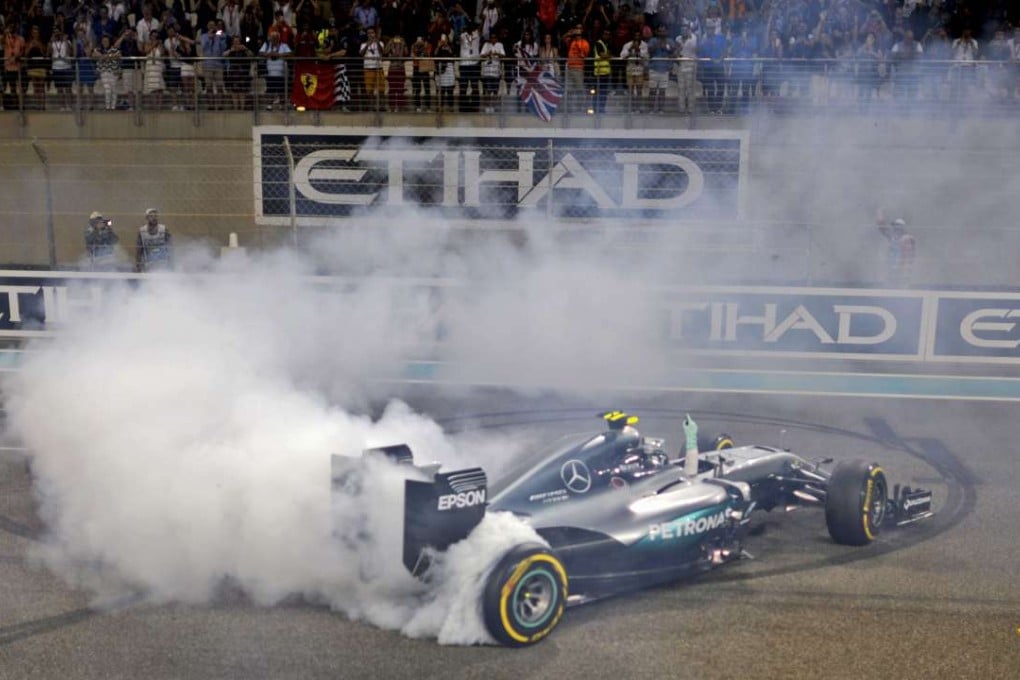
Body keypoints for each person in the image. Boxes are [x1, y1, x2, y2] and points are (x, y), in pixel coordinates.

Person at [877, 215, 916, 287]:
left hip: (901, 265)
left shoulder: (907, 238)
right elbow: (882, 229)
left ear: (901, 227)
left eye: (896, 226)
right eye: (894, 226)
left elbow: (907, 255)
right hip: (892, 263)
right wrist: (879, 213)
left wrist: (900, 265)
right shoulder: (893, 236)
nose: (894, 228)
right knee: (891, 280)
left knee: (901, 281)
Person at [479, 31, 504, 113]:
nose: (493, 39)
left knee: (495, 90)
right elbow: (481, 55)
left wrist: (497, 53)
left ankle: (495, 106)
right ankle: (488, 106)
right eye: (491, 38)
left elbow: (503, 55)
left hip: (496, 71)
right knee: (488, 90)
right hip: (487, 71)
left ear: (497, 38)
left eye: (494, 38)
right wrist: (487, 54)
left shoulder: (500, 45)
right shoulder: (486, 45)